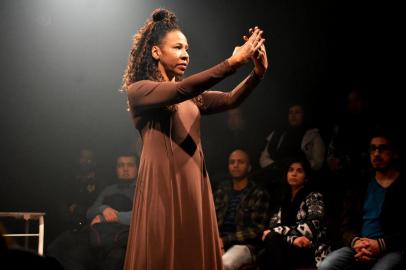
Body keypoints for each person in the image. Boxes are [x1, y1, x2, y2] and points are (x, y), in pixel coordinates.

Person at [121, 8, 268, 270]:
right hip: (162, 185)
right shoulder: (139, 91)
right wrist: (232, 63)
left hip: (193, 185)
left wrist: (257, 73)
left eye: (187, 48)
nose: (186, 54)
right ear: (156, 52)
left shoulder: (192, 96)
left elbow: (231, 98)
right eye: (177, 47)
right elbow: (178, 89)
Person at [318, 129, 405, 270]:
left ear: (395, 153)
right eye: (373, 149)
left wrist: (380, 245)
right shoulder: (360, 186)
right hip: (359, 246)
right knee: (327, 266)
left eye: (382, 149)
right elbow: (346, 225)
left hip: (391, 249)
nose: (377, 154)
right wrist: (356, 242)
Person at [47, 154, 138, 270]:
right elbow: (90, 212)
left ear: (137, 167)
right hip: (97, 232)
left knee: (116, 258)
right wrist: (103, 209)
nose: (125, 169)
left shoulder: (142, 189)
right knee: (60, 246)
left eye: (130, 165)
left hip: (121, 237)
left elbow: (140, 217)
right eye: (121, 165)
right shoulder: (109, 189)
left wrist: (108, 217)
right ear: (116, 169)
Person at [258, 157, 330, 270]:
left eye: (299, 171)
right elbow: (273, 226)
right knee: (263, 253)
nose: (294, 174)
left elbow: (311, 228)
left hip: (309, 248)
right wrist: (293, 240)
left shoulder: (314, 197)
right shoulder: (282, 199)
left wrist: (279, 234)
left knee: (272, 240)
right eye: (291, 170)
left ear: (306, 178)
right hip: (288, 246)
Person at [214, 149, 270, 270]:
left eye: (240, 162)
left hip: (244, 245)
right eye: (232, 162)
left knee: (223, 264)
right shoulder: (222, 190)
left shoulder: (258, 193)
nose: (235, 165)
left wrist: (224, 240)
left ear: (249, 167)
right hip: (217, 241)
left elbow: (257, 229)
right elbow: (210, 219)